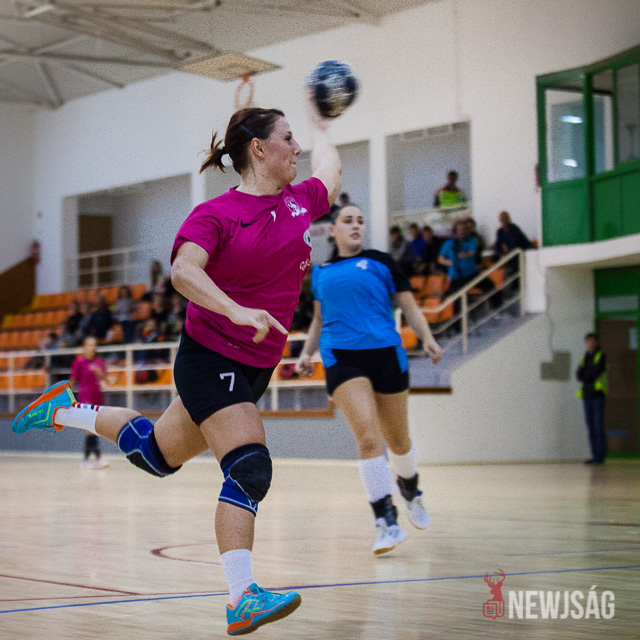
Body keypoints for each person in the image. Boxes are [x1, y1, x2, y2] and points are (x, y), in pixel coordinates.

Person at [12, 99, 341, 636]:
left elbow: (332, 171)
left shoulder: (300, 201)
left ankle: (64, 410)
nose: (297, 147)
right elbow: (184, 272)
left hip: (255, 366)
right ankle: (242, 596)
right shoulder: (217, 215)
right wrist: (234, 310)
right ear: (260, 150)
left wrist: (323, 126)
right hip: (211, 357)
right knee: (250, 466)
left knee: (156, 456)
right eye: (289, 138)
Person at [295, 204, 442, 555]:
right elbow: (319, 318)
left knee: (399, 440)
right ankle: (385, 521)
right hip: (342, 357)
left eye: (360, 220)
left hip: (386, 355)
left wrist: (427, 338)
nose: (356, 225)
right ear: (333, 230)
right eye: (348, 221)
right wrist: (306, 352)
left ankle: (410, 488)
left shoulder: (382, 262)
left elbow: (409, 306)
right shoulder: (320, 273)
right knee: (367, 438)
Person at [438, 220, 499, 331]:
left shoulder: (471, 240)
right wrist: (448, 262)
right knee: (458, 302)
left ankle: (497, 309)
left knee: (490, 285)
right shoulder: (449, 243)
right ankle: (458, 327)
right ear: (455, 231)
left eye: (463, 229)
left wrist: (464, 254)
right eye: (459, 229)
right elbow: (440, 258)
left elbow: (472, 252)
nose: (461, 232)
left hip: (471, 274)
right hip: (456, 276)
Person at [70, 337, 109, 470]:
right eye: (89, 345)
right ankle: (94, 458)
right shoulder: (78, 362)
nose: (92, 348)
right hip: (85, 398)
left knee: (94, 429)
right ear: (84, 347)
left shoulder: (99, 362)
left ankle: (90, 459)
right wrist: (68, 398)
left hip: (98, 397)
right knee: (90, 428)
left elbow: (106, 379)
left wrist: (100, 374)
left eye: (94, 345)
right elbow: (73, 380)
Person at [576, 333, 608, 464]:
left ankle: (600, 456)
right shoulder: (585, 358)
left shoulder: (601, 356)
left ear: (596, 342)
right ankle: (594, 455)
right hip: (587, 396)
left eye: (592, 341)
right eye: (588, 342)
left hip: (598, 396)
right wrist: (588, 374)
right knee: (590, 426)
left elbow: (596, 372)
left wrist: (587, 374)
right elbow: (579, 375)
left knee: (598, 425)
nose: (590, 344)